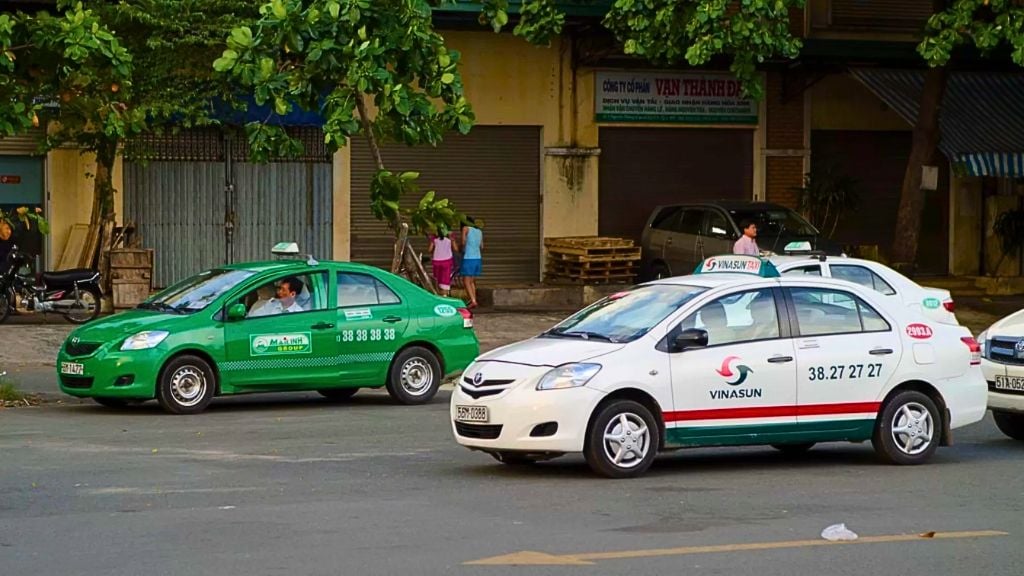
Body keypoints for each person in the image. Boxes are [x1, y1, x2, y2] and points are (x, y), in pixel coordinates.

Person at [460, 217, 483, 309]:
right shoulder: (479, 231)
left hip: (469, 258)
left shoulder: (465, 229)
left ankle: (473, 301)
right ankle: (474, 299)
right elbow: (482, 246)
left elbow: (463, 242)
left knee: (466, 281)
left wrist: (461, 249)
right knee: (472, 281)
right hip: (478, 258)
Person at [427, 229, 455, 296]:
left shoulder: (435, 240)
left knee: (437, 278)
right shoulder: (449, 240)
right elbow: (456, 249)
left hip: (437, 261)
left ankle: (438, 294)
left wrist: (431, 241)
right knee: (445, 279)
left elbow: (429, 250)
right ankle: (445, 295)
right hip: (447, 261)